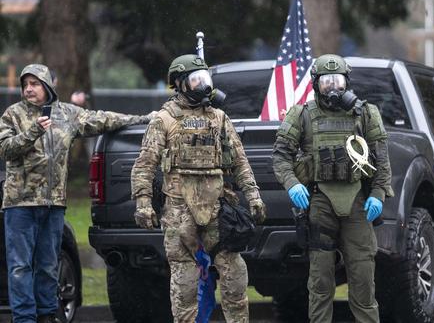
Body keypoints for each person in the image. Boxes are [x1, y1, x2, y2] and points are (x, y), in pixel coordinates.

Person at [0, 64, 152, 323]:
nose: (28, 89)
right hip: (20, 205)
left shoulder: (67, 114)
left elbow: (103, 119)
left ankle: (47, 315)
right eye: (25, 84)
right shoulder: (12, 115)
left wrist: (142, 119)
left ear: (47, 86)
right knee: (20, 267)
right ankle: (24, 318)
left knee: (48, 265)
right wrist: (34, 131)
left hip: (53, 205)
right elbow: (6, 149)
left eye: (34, 84)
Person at [131, 54, 266, 323]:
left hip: (219, 210)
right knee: (185, 285)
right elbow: (144, 164)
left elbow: (240, 162)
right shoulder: (164, 119)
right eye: (196, 80)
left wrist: (253, 196)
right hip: (179, 213)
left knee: (235, 278)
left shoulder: (219, 118)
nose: (203, 85)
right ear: (180, 84)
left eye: (205, 79)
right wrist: (143, 202)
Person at [272, 54, 393, 323]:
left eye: (338, 81)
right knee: (320, 282)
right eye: (326, 82)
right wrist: (292, 185)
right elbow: (281, 156)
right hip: (319, 202)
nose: (333, 87)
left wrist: (377, 194)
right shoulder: (301, 114)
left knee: (363, 279)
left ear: (347, 82)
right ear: (316, 84)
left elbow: (382, 161)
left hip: (358, 202)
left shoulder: (366, 113)